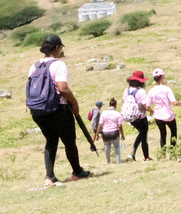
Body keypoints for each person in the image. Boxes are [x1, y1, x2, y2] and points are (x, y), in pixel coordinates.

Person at [28, 34, 90, 186]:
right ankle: (77, 172)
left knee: (51, 140)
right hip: (58, 108)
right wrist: (74, 103)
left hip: (38, 110)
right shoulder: (58, 65)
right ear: (57, 47)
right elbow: (62, 88)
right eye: (61, 47)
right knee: (69, 141)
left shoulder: (34, 66)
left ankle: (49, 177)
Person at [147, 68, 181, 149]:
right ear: (162, 77)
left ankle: (163, 152)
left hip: (158, 116)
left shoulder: (151, 91)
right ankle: (172, 150)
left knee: (163, 134)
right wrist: (180, 103)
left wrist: (151, 111)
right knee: (173, 132)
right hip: (168, 115)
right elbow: (174, 102)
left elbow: (147, 106)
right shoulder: (167, 89)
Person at [124, 70, 151, 161]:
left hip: (131, 118)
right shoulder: (141, 92)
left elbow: (123, 102)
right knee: (144, 136)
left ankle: (134, 153)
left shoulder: (126, 91)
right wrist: (151, 111)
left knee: (141, 134)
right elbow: (146, 106)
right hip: (141, 117)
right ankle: (143, 156)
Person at [93, 98, 124, 164]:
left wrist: (97, 134)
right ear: (115, 105)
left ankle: (108, 161)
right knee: (116, 147)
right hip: (114, 132)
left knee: (107, 146)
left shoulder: (104, 113)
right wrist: (122, 135)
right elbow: (120, 126)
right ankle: (118, 162)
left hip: (105, 132)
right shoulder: (117, 114)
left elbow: (100, 125)